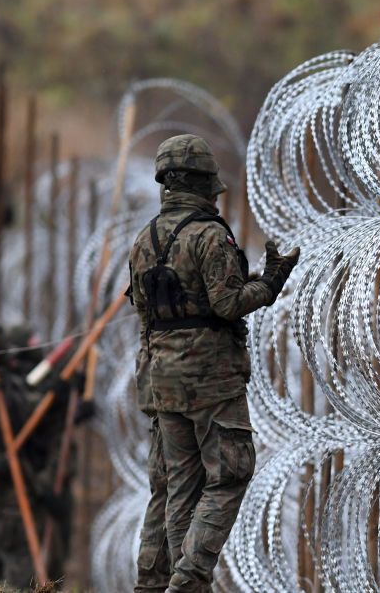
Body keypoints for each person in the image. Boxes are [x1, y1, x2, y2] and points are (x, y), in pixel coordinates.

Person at [128, 134, 299, 592]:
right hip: (210, 378)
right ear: (202, 183)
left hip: (160, 378)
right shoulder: (209, 235)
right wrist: (270, 283)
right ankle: (188, 578)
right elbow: (227, 304)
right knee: (230, 474)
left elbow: (143, 313)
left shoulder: (145, 239)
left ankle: (154, 580)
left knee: (176, 486)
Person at [0, 320, 74, 589]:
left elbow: (27, 416)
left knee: (18, 572)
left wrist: (54, 398)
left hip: (12, 493)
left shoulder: (8, 385)